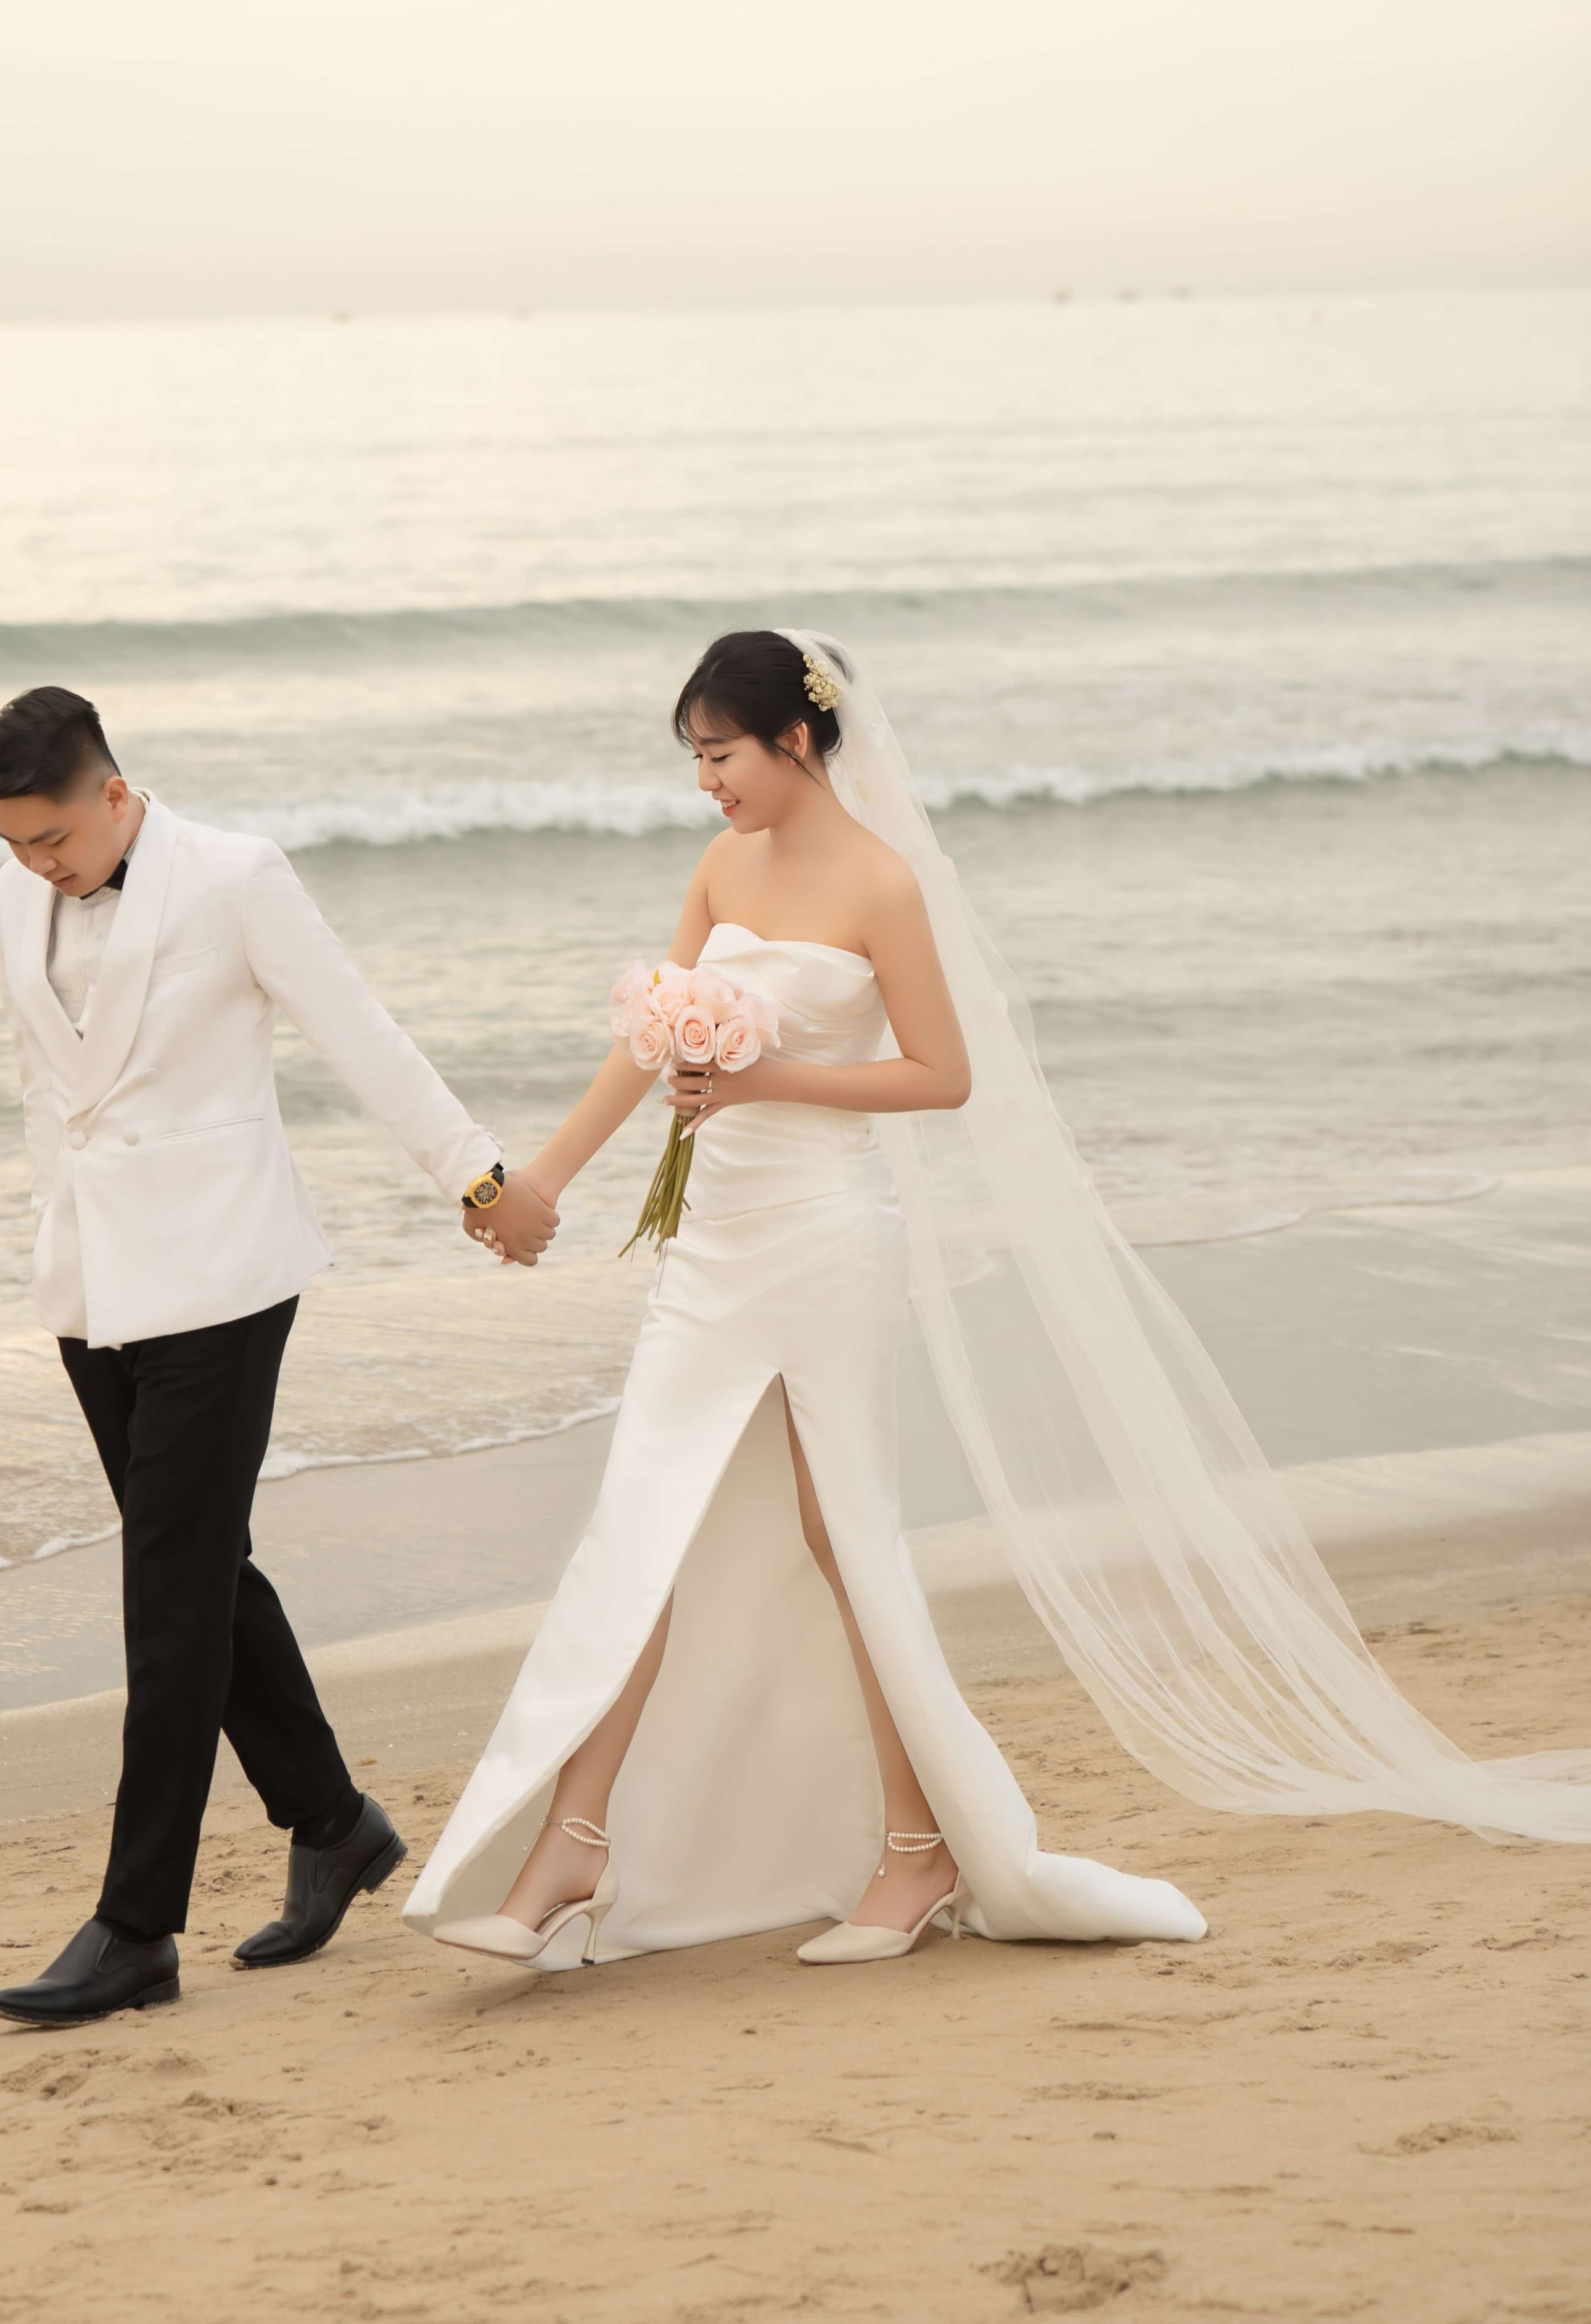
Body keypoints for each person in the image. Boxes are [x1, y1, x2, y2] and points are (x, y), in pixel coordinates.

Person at [409, 627, 1590, 1977]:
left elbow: (942, 1074)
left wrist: (764, 1081)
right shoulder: (722, 866)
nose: (706, 782)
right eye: (693, 759)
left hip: (824, 1241)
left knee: (846, 1540)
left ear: (795, 738)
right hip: (711, 1250)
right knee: (642, 1530)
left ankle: (919, 1853)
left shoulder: (882, 883)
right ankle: (572, 1848)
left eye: (721, 754)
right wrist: (541, 1182)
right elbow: (648, 1042)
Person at [0, 684, 555, 2027]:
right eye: (11, 845)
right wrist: (54, 1235)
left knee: (167, 1601)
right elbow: (46, 1084)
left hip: (222, 1276)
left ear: (115, 794)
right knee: (203, 1573)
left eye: (52, 838)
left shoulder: (236, 878)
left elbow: (363, 1035)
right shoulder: (15, 895)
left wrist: (480, 1178)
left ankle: (136, 1929)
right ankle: (333, 1823)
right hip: (92, 1284)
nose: (35, 865)